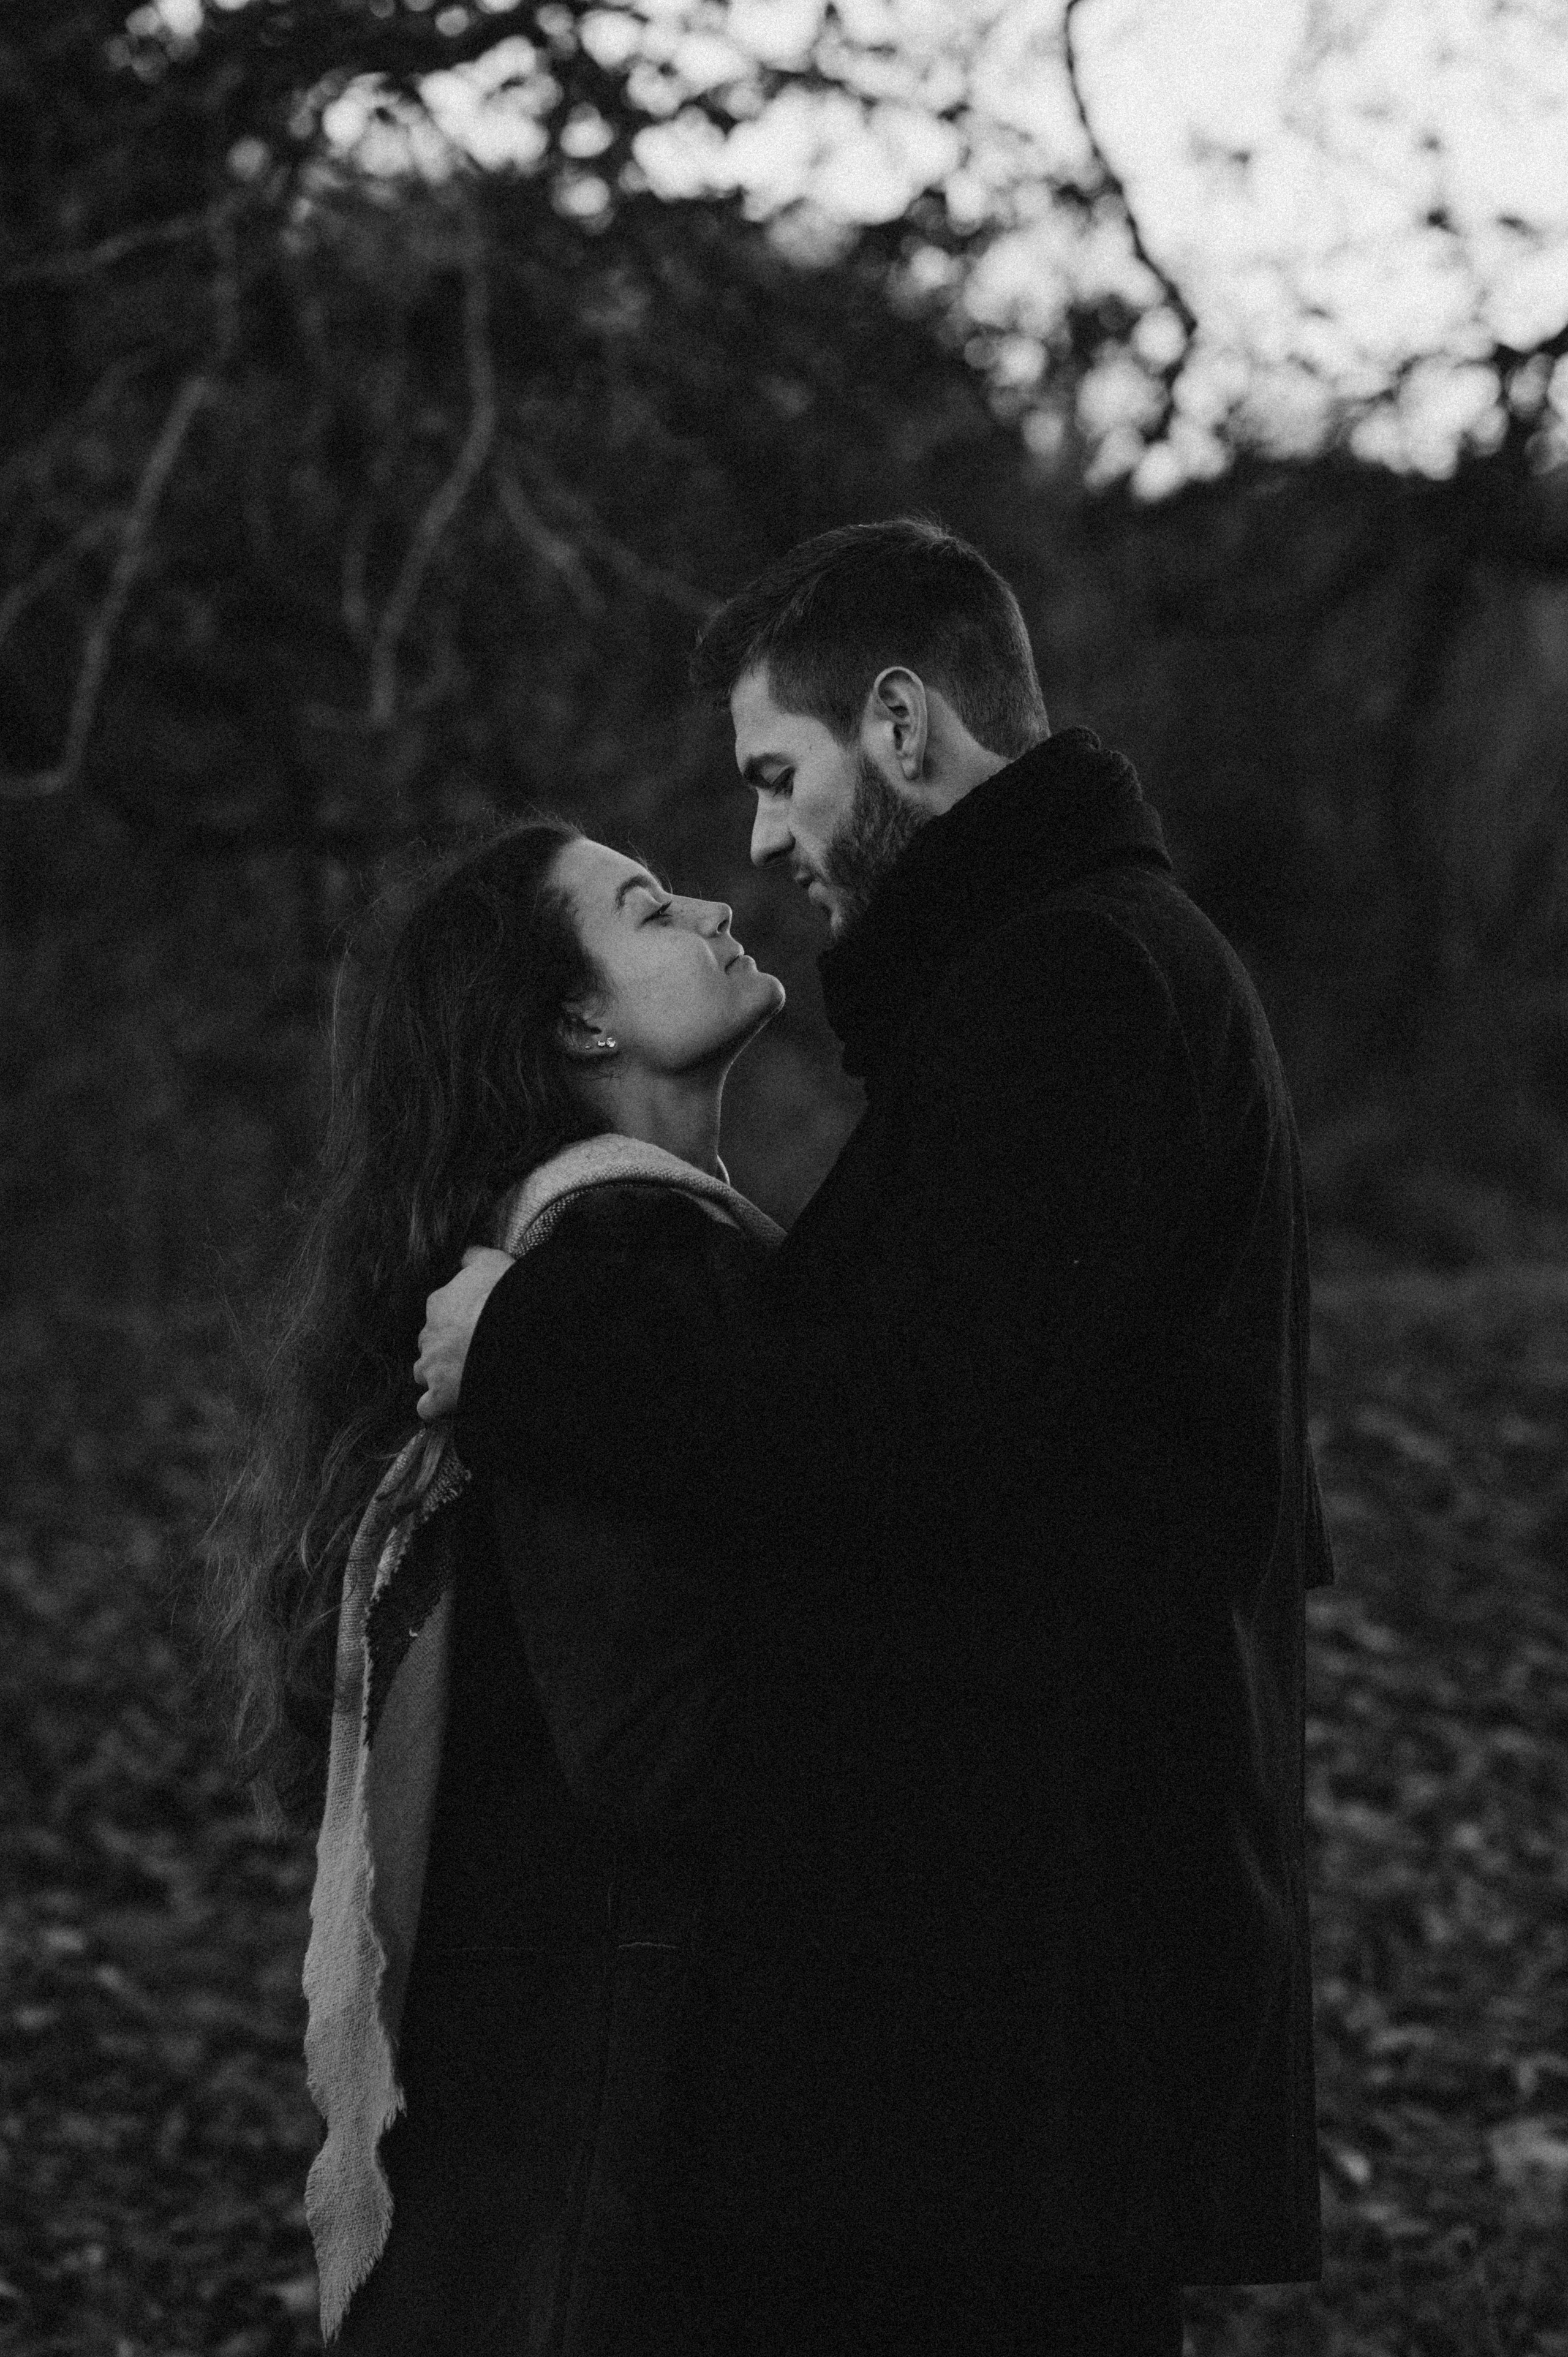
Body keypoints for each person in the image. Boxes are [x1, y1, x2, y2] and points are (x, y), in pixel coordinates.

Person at [415, 518, 1337, 2356]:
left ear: (902, 727)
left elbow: (904, 1422)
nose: (759, 843)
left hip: (1023, 2020)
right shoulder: (1058, 972)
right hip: (1014, 2014)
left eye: (779, 773)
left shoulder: (1073, 984)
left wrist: (525, 1349)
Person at [203, 816, 788, 2353]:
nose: (713, 904)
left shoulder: (547, 1265)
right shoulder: (624, 1262)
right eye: (649, 909)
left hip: (540, 2057)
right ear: (580, 1021)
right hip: (617, 2077)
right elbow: (651, 1737)